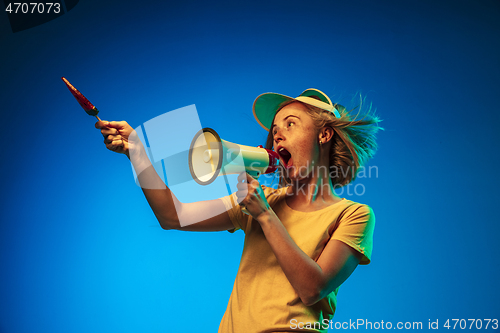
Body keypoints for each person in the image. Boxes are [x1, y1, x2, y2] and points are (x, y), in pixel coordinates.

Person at [95, 88, 381, 333]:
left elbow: (312, 289)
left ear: (324, 135)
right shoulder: (261, 200)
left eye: (290, 124)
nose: (278, 135)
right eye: (275, 131)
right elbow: (172, 215)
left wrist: (265, 216)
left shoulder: (353, 215)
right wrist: (138, 151)